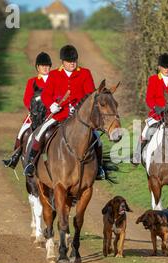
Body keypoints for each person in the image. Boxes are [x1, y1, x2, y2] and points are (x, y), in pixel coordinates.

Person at [23, 44, 106, 179]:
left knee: (97, 138)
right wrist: (52, 105)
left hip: (80, 118)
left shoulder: (85, 73)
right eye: (69, 61)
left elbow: (90, 94)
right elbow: (46, 95)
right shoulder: (55, 74)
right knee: (39, 133)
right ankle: (31, 163)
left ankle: (99, 168)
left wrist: (80, 107)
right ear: (63, 62)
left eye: (74, 60)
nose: (72, 63)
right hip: (59, 115)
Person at [2, 52, 52, 169]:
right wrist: (33, 108)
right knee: (22, 132)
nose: (45, 68)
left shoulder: (55, 80)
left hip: (51, 114)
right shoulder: (32, 81)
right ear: (37, 67)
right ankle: (14, 158)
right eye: (42, 65)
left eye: (47, 65)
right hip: (35, 115)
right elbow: (26, 98)